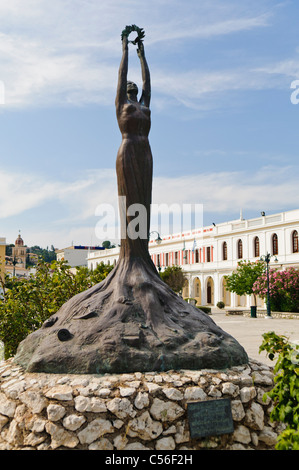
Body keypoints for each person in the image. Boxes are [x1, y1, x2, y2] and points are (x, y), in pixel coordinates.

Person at [115, 34, 153, 261]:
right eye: (127, 84)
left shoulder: (144, 104)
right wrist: (125, 50)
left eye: (133, 83)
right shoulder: (122, 104)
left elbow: (148, 83)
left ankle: (142, 255)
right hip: (127, 150)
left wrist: (142, 55)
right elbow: (121, 76)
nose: (131, 84)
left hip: (145, 153)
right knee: (129, 201)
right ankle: (130, 258)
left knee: (144, 200)